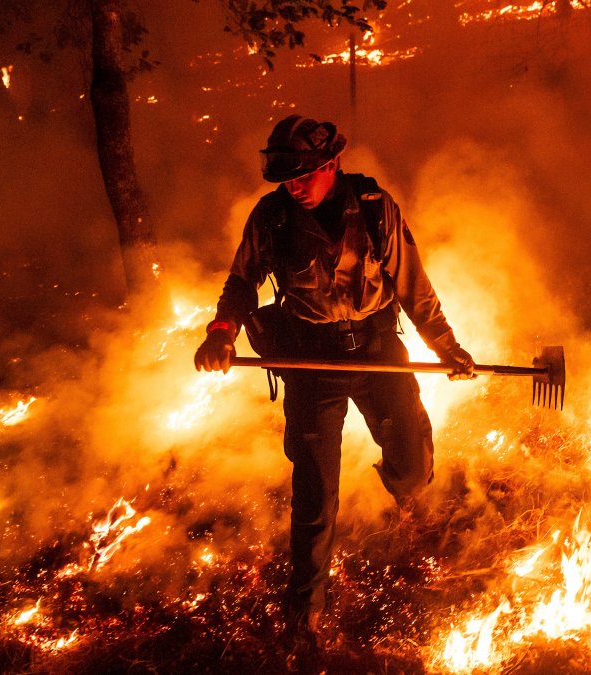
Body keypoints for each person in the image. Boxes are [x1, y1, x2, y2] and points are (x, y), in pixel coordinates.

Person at [194, 114, 474, 654]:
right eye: (285, 177)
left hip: (375, 349)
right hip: (309, 359)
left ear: (331, 164)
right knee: (315, 500)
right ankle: (304, 623)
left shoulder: (373, 209)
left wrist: (448, 348)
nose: (292, 185)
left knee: (415, 465)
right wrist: (222, 332)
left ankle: (403, 494)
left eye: (302, 174)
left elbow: (414, 285)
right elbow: (241, 280)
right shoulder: (272, 217)